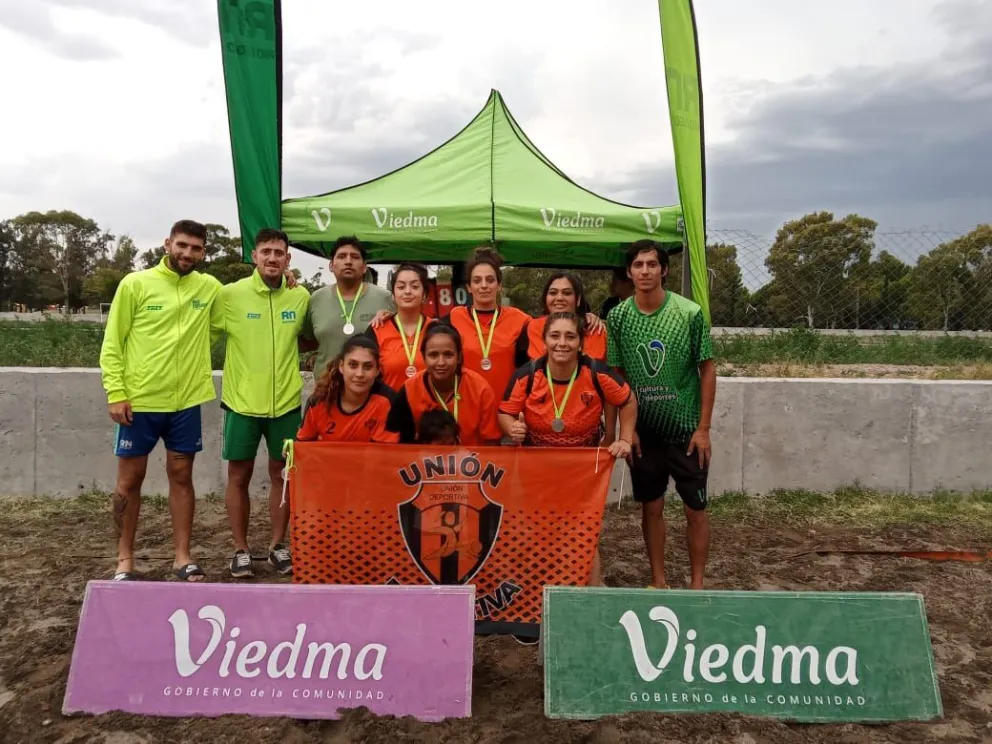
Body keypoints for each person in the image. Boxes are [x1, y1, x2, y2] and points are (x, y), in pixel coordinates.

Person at [99, 219, 223, 583]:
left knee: (182, 476)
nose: (187, 253)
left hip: (186, 402)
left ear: (203, 252)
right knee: (129, 481)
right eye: (181, 245)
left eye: (195, 248)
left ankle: (182, 558)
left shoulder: (209, 287)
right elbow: (112, 343)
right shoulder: (135, 284)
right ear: (168, 243)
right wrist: (116, 392)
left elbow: (227, 317)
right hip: (139, 402)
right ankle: (125, 561)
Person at [606, 239, 716, 590]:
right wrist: (627, 430)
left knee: (694, 510)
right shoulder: (619, 317)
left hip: (685, 432)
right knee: (651, 509)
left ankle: (697, 585)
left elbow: (708, 369)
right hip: (645, 434)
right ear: (629, 272)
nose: (645, 271)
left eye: (652, 264)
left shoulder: (689, 313)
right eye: (638, 265)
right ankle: (659, 581)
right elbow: (616, 376)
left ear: (664, 270)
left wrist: (703, 428)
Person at [500, 311, 637, 586]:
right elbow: (505, 412)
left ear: (581, 343)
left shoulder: (596, 372)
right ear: (545, 341)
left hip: (582, 468)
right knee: (538, 529)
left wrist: (625, 438)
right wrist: (511, 428)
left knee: (583, 529)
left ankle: (592, 592)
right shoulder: (527, 375)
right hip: (537, 466)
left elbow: (628, 400)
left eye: (570, 336)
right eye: (555, 336)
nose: (562, 343)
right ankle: (538, 591)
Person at [217, 228, 310, 579]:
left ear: (288, 259)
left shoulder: (299, 297)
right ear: (254, 256)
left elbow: (309, 337)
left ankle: (277, 546)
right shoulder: (229, 295)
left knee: (283, 476)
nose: (273, 258)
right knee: (238, 475)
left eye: (279, 253)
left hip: (286, 405)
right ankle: (240, 549)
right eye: (266, 251)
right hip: (241, 404)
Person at [387, 324, 501, 446]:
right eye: (433, 355)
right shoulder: (409, 390)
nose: (441, 362)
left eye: (448, 355)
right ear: (424, 358)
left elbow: (492, 444)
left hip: (472, 462)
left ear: (459, 357)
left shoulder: (480, 389)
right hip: (422, 463)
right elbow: (399, 448)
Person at [440, 248, 530, 398]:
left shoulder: (520, 320)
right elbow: (419, 327)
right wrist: (390, 317)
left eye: (490, 280)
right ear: (469, 287)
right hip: (466, 406)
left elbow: (550, 329)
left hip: (506, 409)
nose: (484, 285)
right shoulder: (453, 318)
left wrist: (583, 320)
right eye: (477, 281)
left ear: (499, 285)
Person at [302, 235, 393, 378]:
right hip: (325, 390)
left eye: (355, 257)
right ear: (331, 265)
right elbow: (309, 340)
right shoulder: (316, 299)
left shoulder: (385, 298)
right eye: (342, 256)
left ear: (364, 267)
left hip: (370, 388)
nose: (348, 261)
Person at [297, 336, 399, 443]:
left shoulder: (388, 402)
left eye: (367, 367)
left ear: (378, 370)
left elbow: (386, 454)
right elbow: (303, 449)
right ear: (341, 366)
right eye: (353, 365)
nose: (360, 374)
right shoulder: (319, 401)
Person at [363, 262, 435, 390]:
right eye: (401, 287)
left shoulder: (436, 330)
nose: (407, 291)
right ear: (393, 295)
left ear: (424, 295)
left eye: (415, 286)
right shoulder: (377, 329)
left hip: (431, 407)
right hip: (390, 407)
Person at [523, 272, 608, 362]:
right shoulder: (535, 326)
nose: (559, 298)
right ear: (546, 298)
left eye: (567, 293)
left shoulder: (594, 329)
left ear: (578, 299)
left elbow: (594, 365)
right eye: (553, 293)